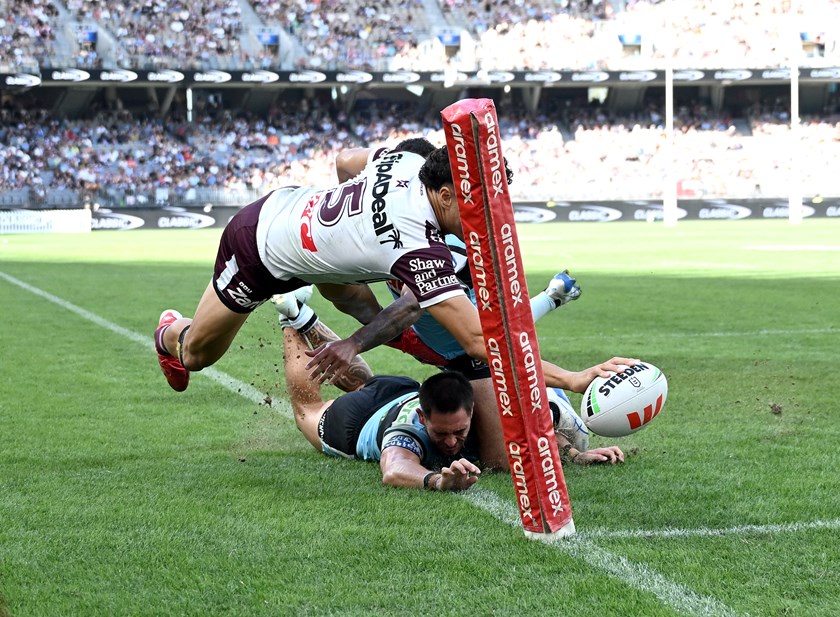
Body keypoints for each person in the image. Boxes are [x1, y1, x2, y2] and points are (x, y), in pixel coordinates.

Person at [154, 138, 503, 393]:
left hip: (297, 219)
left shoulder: (409, 161)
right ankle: (168, 332)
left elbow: (345, 160)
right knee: (197, 356)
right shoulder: (421, 241)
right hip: (258, 248)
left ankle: (313, 303)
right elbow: (455, 327)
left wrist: (350, 231)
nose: (486, 217)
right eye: (480, 204)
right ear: (446, 194)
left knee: (359, 303)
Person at [278, 298, 625, 489]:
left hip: (404, 390)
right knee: (308, 410)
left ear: (473, 412)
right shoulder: (408, 430)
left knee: (360, 379)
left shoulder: (470, 411)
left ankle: (303, 315)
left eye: (459, 431)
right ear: (422, 418)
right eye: (441, 434)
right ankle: (289, 317)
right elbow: (394, 469)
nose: (450, 442)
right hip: (356, 421)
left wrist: (576, 455)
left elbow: (522, 436)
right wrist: (436, 481)